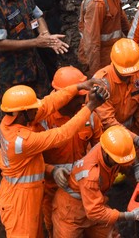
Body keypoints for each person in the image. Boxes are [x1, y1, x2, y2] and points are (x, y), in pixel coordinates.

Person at [0, 81, 108, 237]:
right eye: (33, 108)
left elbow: (48, 103)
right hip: (19, 201)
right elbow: (62, 135)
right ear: (23, 112)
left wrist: (78, 87)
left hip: (27, 194)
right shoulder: (21, 141)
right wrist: (90, 107)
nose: (38, 109)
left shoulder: (14, 120)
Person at [0, 0, 70, 145]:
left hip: (33, 64)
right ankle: (6, 153)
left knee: (42, 103)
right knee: (11, 114)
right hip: (10, 73)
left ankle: (40, 143)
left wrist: (45, 35)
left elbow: (38, 15)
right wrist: (36, 42)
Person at [51, 126, 139, 237]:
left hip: (94, 199)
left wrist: (137, 165)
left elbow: (122, 134)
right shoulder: (90, 174)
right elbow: (95, 212)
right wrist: (129, 215)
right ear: (106, 153)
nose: (120, 164)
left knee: (109, 234)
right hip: (70, 212)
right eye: (118, 161)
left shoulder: (110, 145)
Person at [39, 66, 103, 237]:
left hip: (82, 188)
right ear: (65, 97)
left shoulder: (88, 115)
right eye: (78, 99)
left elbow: (100, 150)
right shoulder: (42, 120)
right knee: (53, 228)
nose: (82, 103)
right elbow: (29, 162)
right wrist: (52, 171)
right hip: (51, 188)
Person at [93, 38, 139, 152]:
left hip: (129, 132)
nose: (129, 76)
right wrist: (137, 139)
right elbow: (107, 121)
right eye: (124, 73)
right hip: (107, 136)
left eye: (132, 73)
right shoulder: (102, 82)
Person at [78, 0, 131, 76]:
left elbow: (120, 16)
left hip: (110, 54)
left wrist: (133, 39)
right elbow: (92, 43)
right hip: (98, 59)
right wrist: (95, 75)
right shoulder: (97, 3)